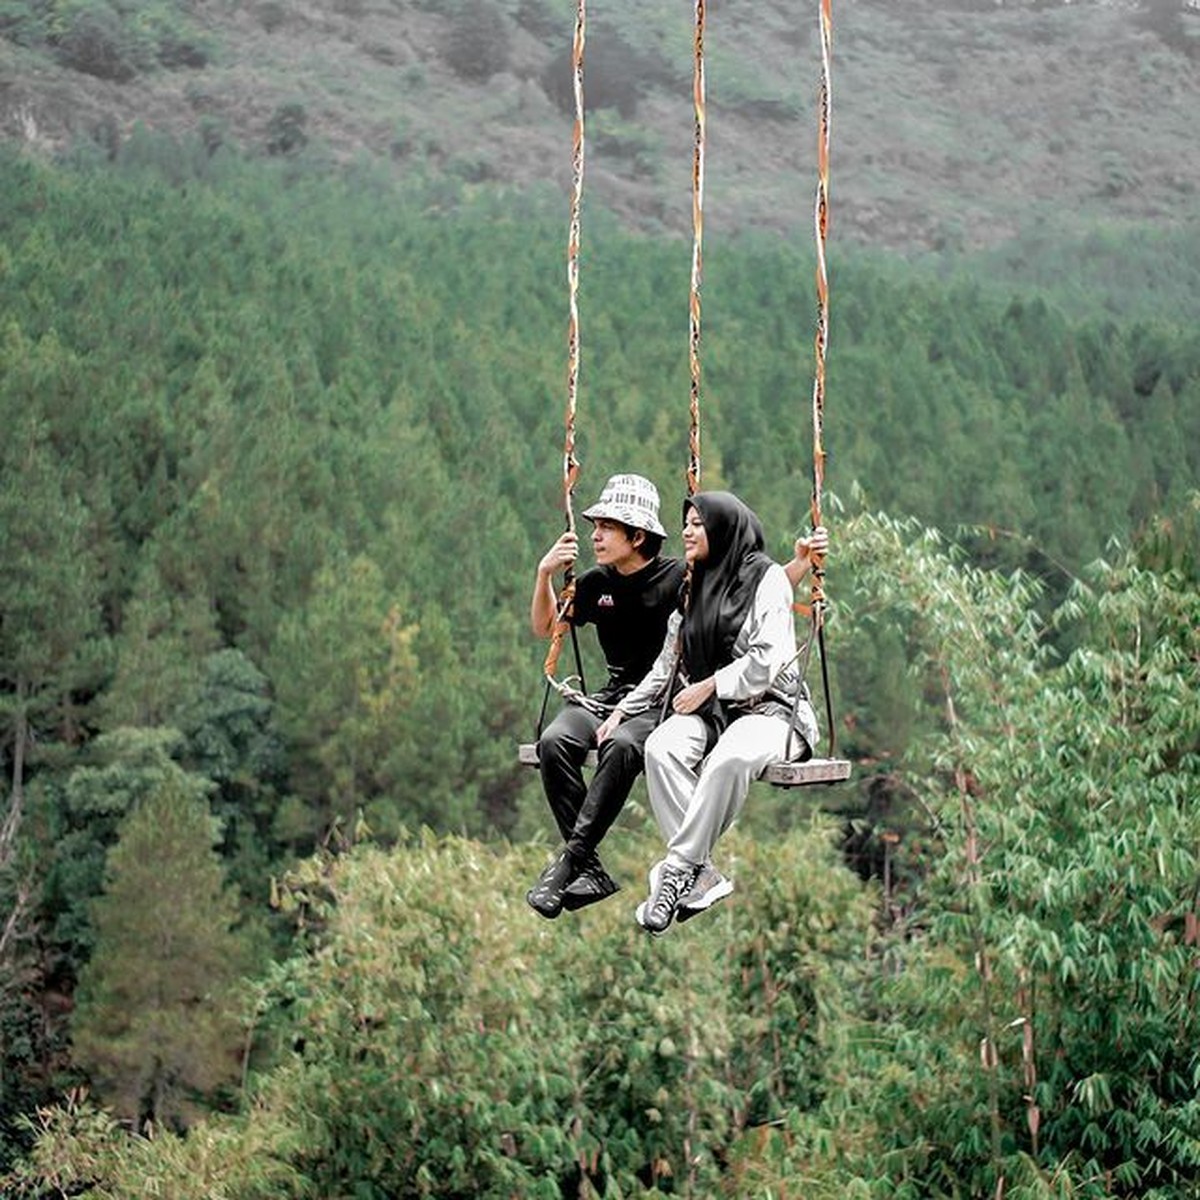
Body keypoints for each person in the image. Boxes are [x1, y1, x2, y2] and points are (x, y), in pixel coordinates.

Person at [596, 491, 827, 934]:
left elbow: (766, 660)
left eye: (697, 524)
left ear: (723, 529)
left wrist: (709, 685)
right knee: (661, 746)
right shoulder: (694, 586)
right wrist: (622, 712)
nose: (686, 531)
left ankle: (676, 871)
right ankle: (700, 872)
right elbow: (666, 666)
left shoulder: (767, 579)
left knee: (729, 756)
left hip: (775, 713)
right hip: (720, 714)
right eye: (685, 523)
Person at [525, 473, 686, 919]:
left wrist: (801, 566)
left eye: (607, 527)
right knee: (554, 741)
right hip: (612, 696)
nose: (595, 536)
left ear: (638, 536)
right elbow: (545, 627)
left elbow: (743, 592)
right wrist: (544, 574)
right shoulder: (597, 584)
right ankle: (590, 868)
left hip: (664, 700)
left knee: (622, 744)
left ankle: (570, 863)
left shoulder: (679, 578)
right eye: (595, 526)